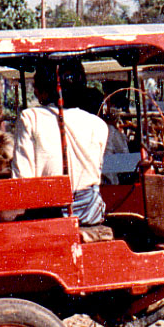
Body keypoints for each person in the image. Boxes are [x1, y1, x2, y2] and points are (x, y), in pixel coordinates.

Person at [11, 60, 111, 225]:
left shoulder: (30, 118)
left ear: (45, 89)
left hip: (51, 218)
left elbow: (22, 183)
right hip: (90, 217)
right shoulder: (99, 125)